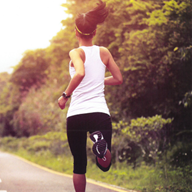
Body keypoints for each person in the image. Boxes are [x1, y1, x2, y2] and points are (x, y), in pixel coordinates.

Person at [58, 1, 123, 192]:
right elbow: (118, 78)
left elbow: (79, 73)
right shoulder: (104, 52)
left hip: (76, 114)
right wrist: (98, 81)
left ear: (76, 32)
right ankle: (100, 150)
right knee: (104, 165)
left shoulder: (75, 52)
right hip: (99, 113)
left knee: (79, 164)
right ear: (95, 32)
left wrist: (64, 96)